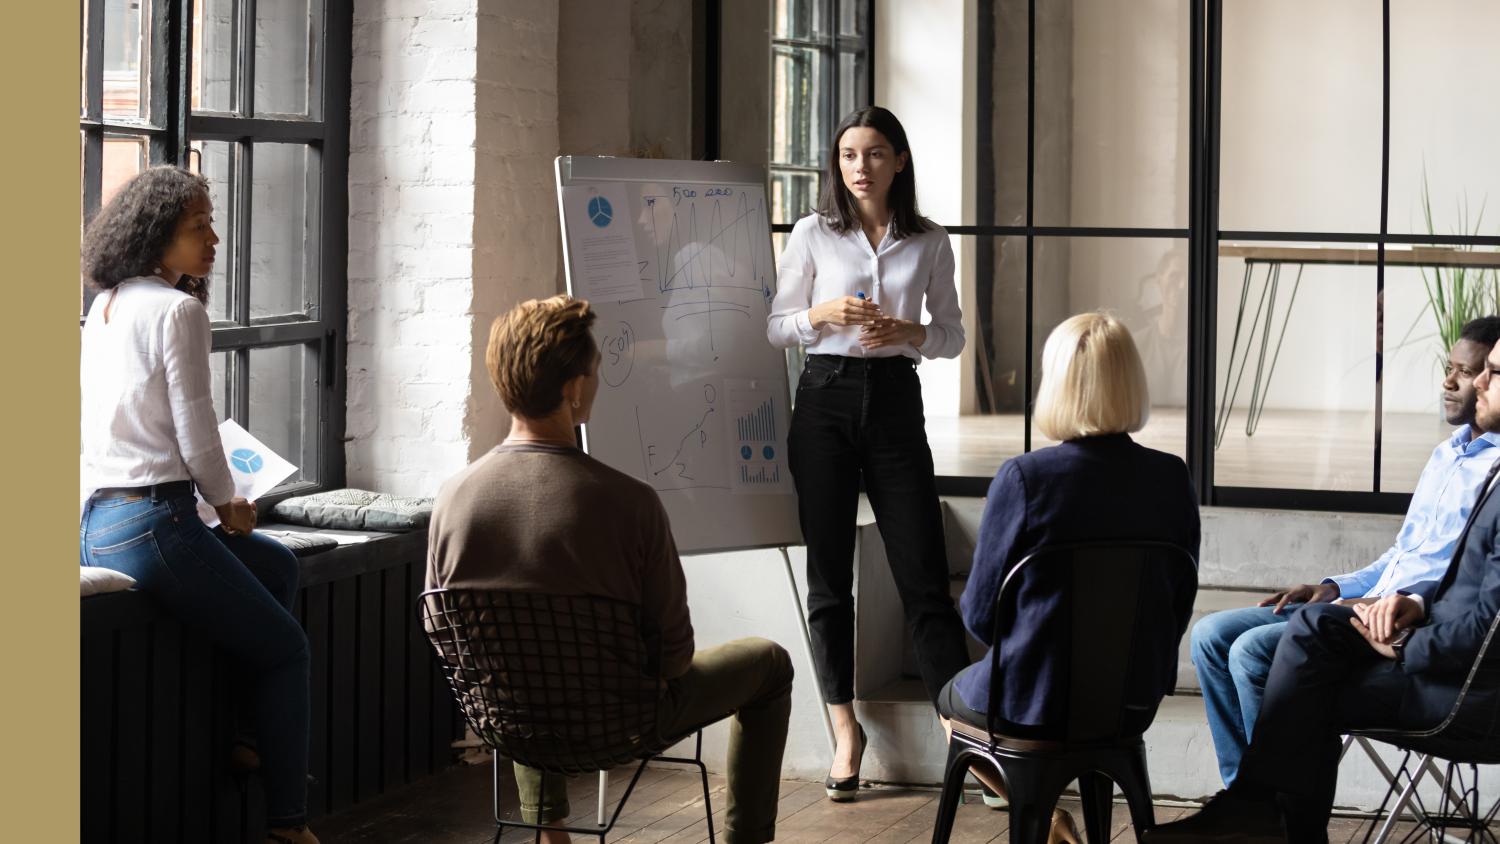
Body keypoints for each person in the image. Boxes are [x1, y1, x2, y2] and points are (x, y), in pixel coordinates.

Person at [428, 295, 794, 844]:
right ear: (574, 388)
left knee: (522, 656)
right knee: (770, 665)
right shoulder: (630, 503)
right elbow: (672, 659)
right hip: (621, 726)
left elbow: (449, 635)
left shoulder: (452, 499)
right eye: (595, 372)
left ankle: (551, 832)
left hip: (509, 723)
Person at [1147, 334, 1500, 844]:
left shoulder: (1493, 473)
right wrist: (1337, 587)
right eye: (1470, 369)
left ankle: (1275, 818)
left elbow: (1475, 607)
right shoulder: (1447, 456)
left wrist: (1405, 624)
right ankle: (1250, 804)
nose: (1458, 381)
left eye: (1476, 372)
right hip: (1390, 608)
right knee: (1211, 635)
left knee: (1252, 654)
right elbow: (1405, 555)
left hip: (1422, 648)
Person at [79, 167, 316, 844]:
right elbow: (197, 430)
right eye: (197, 227)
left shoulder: (110, 303)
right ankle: (288, 825)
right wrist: (230, 503)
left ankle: (247, 737)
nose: (213, 238)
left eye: (212, 222)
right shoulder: (179, 311)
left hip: (101, 522)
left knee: (278, 570)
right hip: (157, 523)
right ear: (158, 237)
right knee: (288, 649)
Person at [766, 104, 973, 802]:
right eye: (850, 154)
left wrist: (910, 332)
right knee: (829, 578)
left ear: (899, 161)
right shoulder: (812, 233)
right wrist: (818, 317)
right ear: (837, 162)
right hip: (821, 400)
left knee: (922, 574)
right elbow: (774, 328)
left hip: (892, 400)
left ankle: (960, 735)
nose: (861, 167)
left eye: (876, 153)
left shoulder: (930, 241)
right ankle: (844, 733)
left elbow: (952, 336)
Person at [937, 312, 1200, 843]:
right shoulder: (1172, 478)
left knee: (948, 704)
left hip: (1031, 702)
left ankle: (1045, 818)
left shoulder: (1025, 478)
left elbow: (983, 619)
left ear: (1054, 384)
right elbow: (1177, 605)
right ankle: (1056, 820)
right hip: (1131, 703)